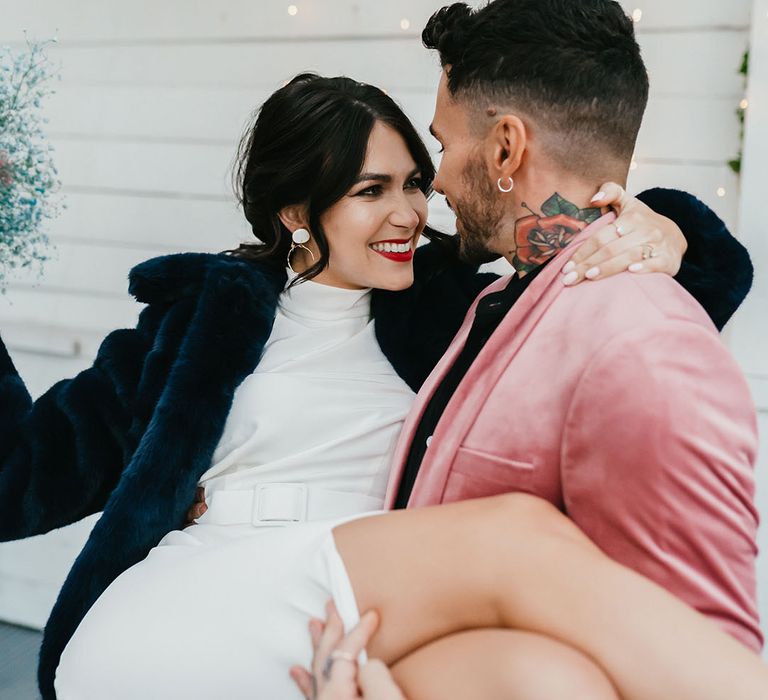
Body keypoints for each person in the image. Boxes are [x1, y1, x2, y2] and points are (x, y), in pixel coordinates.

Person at [0, 20, 753, 700]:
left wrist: (669, 224)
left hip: (372, 614)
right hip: (194, 608)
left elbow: (645, 289)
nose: (410, 212)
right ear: (297, 212)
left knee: (545, 678)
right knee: (515, 537)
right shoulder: (199, 323)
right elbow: (16, 477)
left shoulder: (458, 307)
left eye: (416, 182)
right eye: (371, 190)